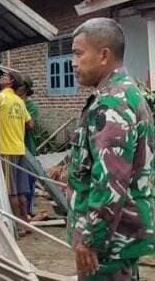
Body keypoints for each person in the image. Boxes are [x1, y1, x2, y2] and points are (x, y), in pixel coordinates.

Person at [68, 18, 154, 280]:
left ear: (104, 55)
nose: (73, 62)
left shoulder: (112, 104)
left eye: (78, 53)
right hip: (122, 234)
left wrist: (90, 238)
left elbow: (111, 182)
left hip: (108, 242)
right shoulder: (127, 93)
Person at [0, 71, 34, 236]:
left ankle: (17, 225)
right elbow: (31, 124)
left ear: (11, 81)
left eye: (5, 77)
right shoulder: (20, 102)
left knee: (11, 191)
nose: (0, 78)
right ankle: (26, 223)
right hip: (20, 149)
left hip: (6, 150)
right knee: (21, 191)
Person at [16, 75, 40, 216]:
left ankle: (28, 211)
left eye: (18, 86)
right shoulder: (13, 102)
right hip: (13, 148)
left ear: (24, 89)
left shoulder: (31, 107)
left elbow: (30, 126)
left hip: (27, 149)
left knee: (29, 181)